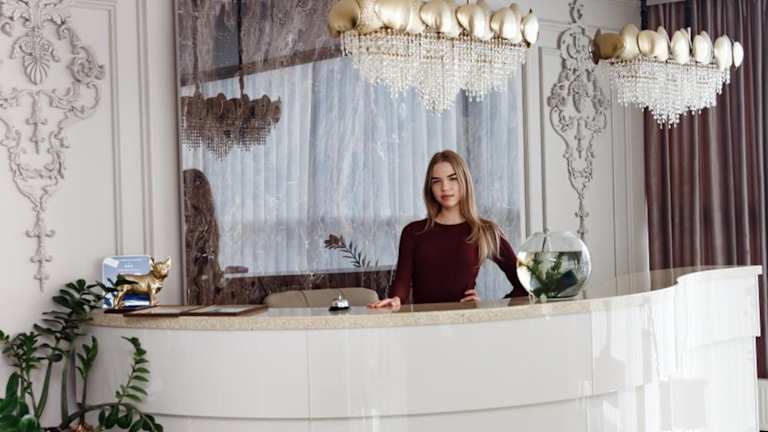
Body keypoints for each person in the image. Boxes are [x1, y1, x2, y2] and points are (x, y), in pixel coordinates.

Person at [369, 150, 526, 309]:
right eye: (436, 181)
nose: (444, 187)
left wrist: (487, 308)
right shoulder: (413, 232)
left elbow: (526, 285)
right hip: (424, 322)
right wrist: (395, 299)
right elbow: (401, 283)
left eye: (453, 178)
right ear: (430, 187)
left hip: (467, 321)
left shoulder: (486, 231)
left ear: (464, 181)